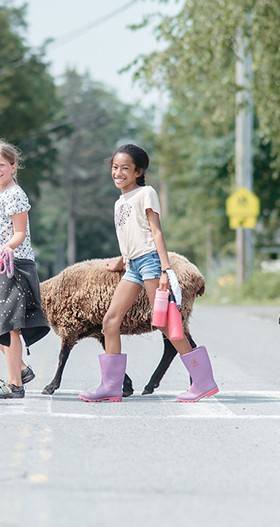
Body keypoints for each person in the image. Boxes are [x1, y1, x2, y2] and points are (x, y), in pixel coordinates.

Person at [79, 143, 218, 403]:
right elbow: (132, 236)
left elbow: (155, 232)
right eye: (115, 167)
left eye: (125, 169)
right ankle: (111, 386)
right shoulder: (119, 202)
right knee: (110, 321)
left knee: (166, 323)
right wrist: (120, 261)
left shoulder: (146, 193)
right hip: (132, 266)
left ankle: (203, 381)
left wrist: (167, 269)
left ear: (139, 171)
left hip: (152, 263)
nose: (118, 173)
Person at [0, 139, 49, 399]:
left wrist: (8, 247)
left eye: (2, 165)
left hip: (14, 265)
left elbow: (19, 233)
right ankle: (20, 368)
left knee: (9, 326)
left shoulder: (15, 194)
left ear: (13, 167)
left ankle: (14, 383)